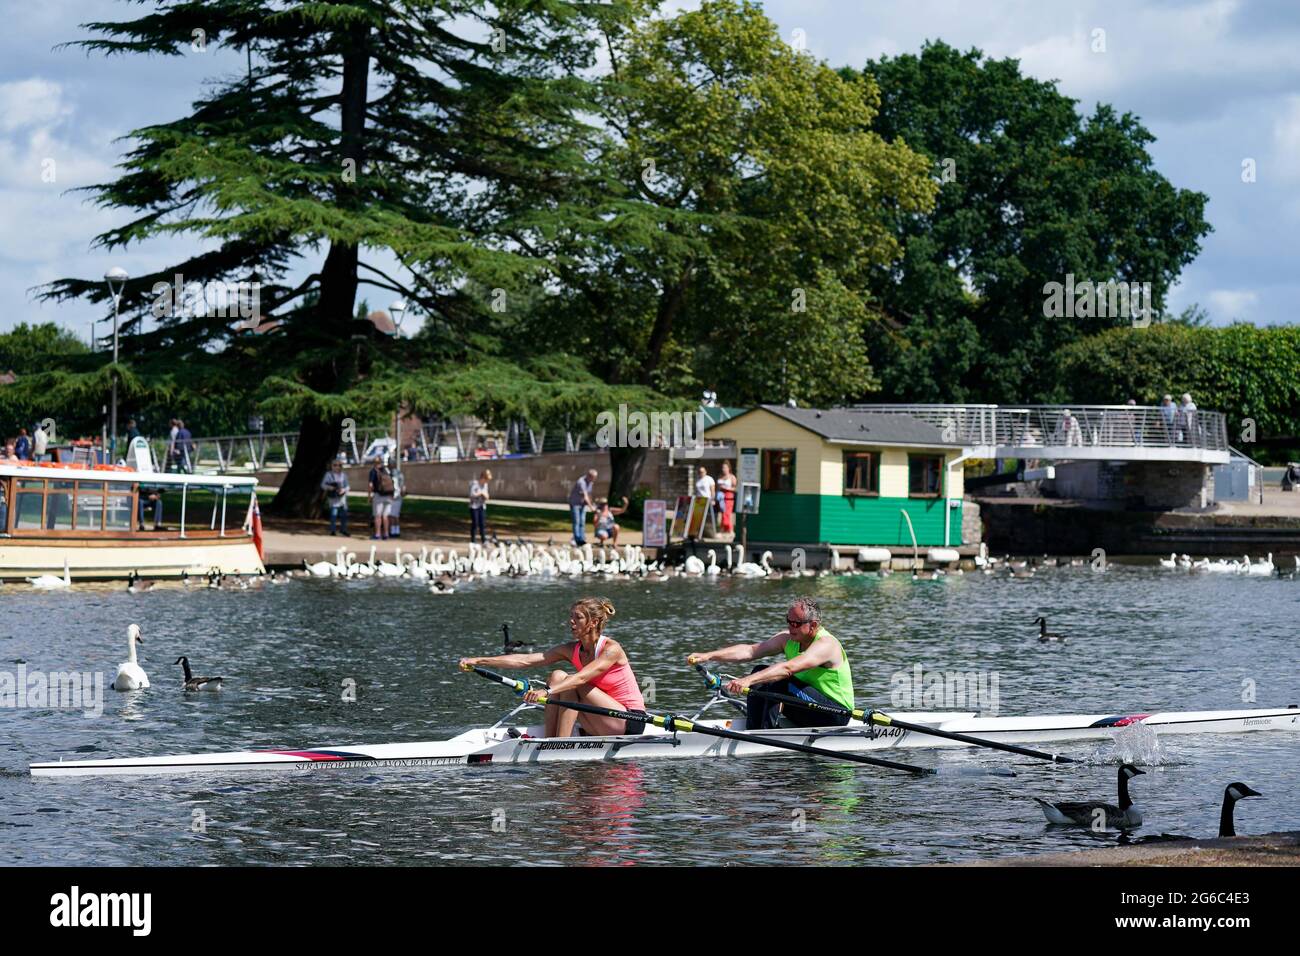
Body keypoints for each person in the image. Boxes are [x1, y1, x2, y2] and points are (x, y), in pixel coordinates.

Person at [459, 597, 647, 737]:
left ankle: (560, 745)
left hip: (629, 721)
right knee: (557, 675)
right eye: (571, 616)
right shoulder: (570, 649)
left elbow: (581, 679)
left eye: (578, 617)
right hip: (599, 719)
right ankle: (551, 740)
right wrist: (478, 660)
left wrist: (546, 692)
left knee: (571, 681)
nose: (571, 621)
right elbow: (525, 660)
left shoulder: (611, 649)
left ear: (594, 622)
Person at [687, 598, 854, 730]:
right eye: (788, 621)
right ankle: (754, 729)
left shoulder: (827, 645)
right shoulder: (788, 639)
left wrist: (747, 681)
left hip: (834, 713)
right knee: (760, 671)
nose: (790, 627)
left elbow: (787, 669)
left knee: (777, 679)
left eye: (796, 624)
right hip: (809, 707)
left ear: (813, 625)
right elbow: (750, 651)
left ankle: (766, 733)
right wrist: (708, 655)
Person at [321, 458, 350, 536]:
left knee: (344, 514)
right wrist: (330, 487)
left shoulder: (343, 475)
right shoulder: (328, 475)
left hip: (342, 498)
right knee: (334, 514)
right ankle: (332, 530)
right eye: (335, 465)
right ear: (332, 466)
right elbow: (323, 485)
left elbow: (347, 486)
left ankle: (343, 529)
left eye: (339, 465)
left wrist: (343, 490)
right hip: (333, 497)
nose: (337, 467)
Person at [368, 456, 395, 539]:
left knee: (377, 516)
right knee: (385, 516)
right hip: (388, 495)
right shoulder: (386, 470)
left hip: (378, 495)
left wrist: (369, 496)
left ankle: (377, 534)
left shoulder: (373, 471)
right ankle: (386, 534)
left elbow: (370, 485)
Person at [568, 468, 596, 546]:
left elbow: (589, 494)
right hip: (575, 504)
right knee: (576, 521)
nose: (594, 479)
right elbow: (585, 495)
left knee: (582, 522)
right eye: (593, 477)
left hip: (582, 505)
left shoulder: (590, 482)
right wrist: (591, 507)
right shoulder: (581, 482)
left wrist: (592, 504)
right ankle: (577, 539)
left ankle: (582, 538)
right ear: (589, 476)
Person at [469, 469, 491, 543]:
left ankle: (484, 540)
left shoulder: (485, 485)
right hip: (474, 506)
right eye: (486, 480)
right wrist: (480, 493)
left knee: (482, 523)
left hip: (482, 506)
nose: (487, 482)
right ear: (483, 478)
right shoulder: (475, 484)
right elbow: (472, 495)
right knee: (475, 523)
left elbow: (487, 495)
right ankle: (473, 540)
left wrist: (485, 495)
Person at [716, 460, 736, 533]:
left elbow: (735, 488)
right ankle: (723, 529)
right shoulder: (720, 476)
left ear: (728, 468)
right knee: (722, 513)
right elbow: (717, 487)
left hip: (729, 497)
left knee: (727, 513)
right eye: (722, 467)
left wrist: (727, 488)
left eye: (725, 467)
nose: (723, 469)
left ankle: (730, 530)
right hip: (721, 497)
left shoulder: (732, 477)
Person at [389, 466, 405, 537]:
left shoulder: (390, 474)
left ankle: (393, 531)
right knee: (396, 515)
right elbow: (403, 488)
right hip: (399, 497)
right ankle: (397, 530)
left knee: (392, 515)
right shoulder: (400, 474)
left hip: (393, 496)